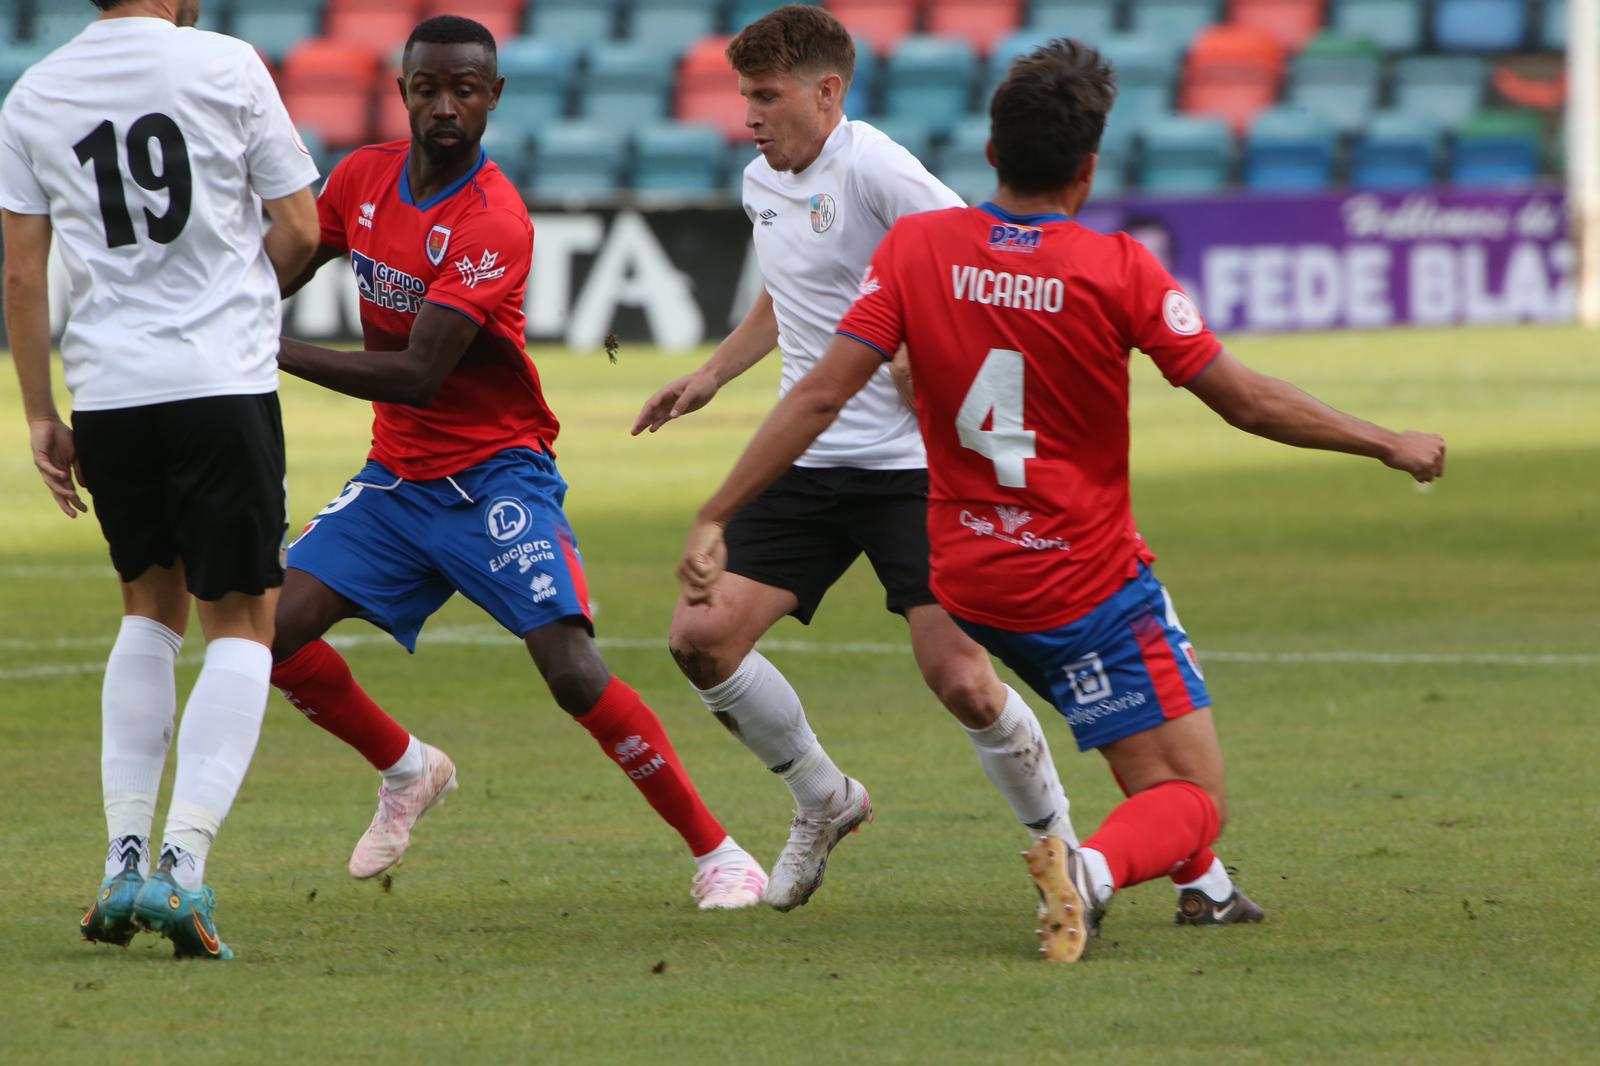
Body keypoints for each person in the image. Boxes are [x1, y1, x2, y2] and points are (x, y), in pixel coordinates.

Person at [676, 38, 1446, 960]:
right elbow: (1244, 402)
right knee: (1191, 792)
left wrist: (716, 510)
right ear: (1088, 168)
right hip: (1082, 579)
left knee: (1018, 699)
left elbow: (820, 392)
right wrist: (1387, 442)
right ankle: (1086, 869)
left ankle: (1207, 888)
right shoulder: (1118, 269)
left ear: (991, 155)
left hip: (969, 569)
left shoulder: (918, 248)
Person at [267, 16, 766, 909]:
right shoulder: (359, 179)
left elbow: (421, 372)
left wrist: (270, 350)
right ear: (403, 89)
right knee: (268, 634)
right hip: (395, 481)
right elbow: (288, 266)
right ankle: (407, 768)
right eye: (428, 88)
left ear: (494, 97)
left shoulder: (494, 217)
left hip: (496, 473)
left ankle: (718, 851)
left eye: (466, 89)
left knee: (571, 669)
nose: (446, 106)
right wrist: (226, 302)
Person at [632, 4, 1082, 912]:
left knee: (960, 679)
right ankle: (822, 798)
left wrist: (940, 362)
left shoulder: (879, 169)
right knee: (701, 640)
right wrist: (713, 373)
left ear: (828, 92)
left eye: (766, 96)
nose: (749, 115)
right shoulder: (765, 179)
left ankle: (1062, 853)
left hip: (917, 468)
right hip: (812, 459)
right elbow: (791, 290)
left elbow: (979, 260)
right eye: (744, 96)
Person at [0, 0, 321, 959]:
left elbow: (22, 274)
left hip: (110, 393)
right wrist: (238, 303)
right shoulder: (226, 63)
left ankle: (121, 862)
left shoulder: (37, 88)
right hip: (219, 383)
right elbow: (301, 225)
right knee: (243, 619)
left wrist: (39, 413)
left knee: (147, 610)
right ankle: (180, 870)